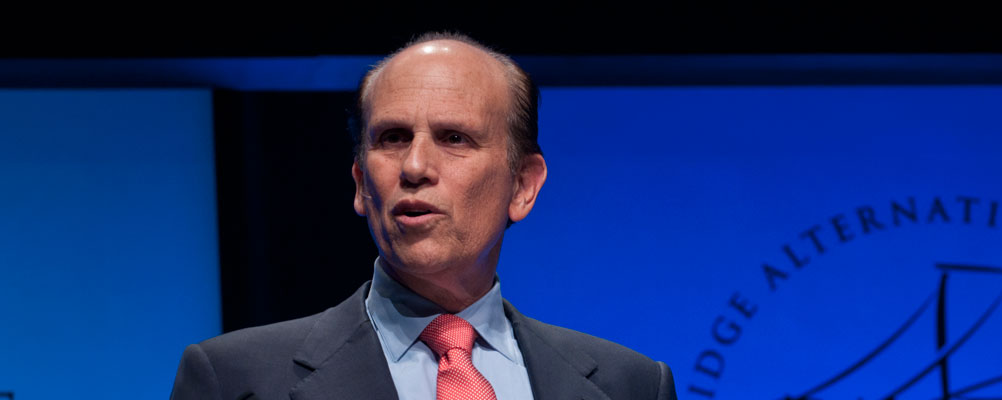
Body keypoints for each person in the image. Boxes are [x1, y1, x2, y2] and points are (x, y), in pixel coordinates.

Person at [170, 32, 678, 400]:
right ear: (361, 184)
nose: (414, 167)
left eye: (454, 138)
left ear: (523, 185)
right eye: (392, 138)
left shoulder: (629, 386)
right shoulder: (234, 380)